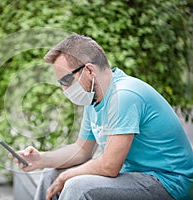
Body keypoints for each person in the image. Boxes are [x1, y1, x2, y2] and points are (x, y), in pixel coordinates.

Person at [10, 34, 193, 200]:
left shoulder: (124, 96)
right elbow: (82, 150)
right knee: (51, 174)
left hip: (169, 183)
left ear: (89, 71)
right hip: (134, 175)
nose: (64, 90)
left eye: (66, 81)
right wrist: (41, 159)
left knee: (78, 187)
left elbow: (109, 166)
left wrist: (67, 176)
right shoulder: (95, 98)